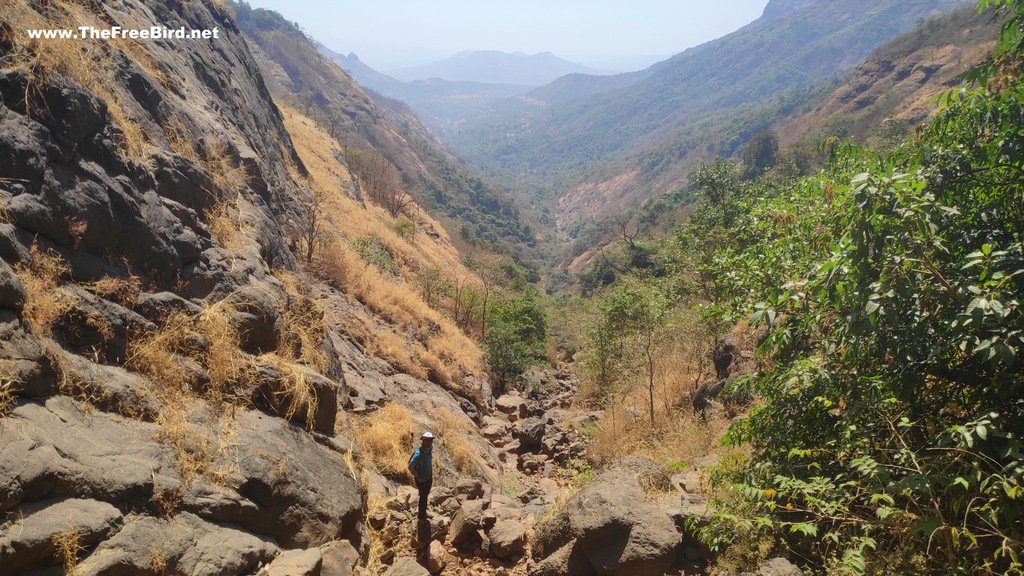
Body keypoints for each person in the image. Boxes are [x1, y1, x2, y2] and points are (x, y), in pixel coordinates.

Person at [408, 431, 434, 521]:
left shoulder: (430, 449)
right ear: (422, 441)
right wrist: (418, 477)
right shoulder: (419, 453)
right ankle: (421, 517)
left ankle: (423, 512)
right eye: (426, 440)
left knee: (425, 495)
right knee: (423, 497)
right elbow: (410, 466)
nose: (429, 442)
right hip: (422, 479)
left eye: (430, 440)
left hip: (428, 477)